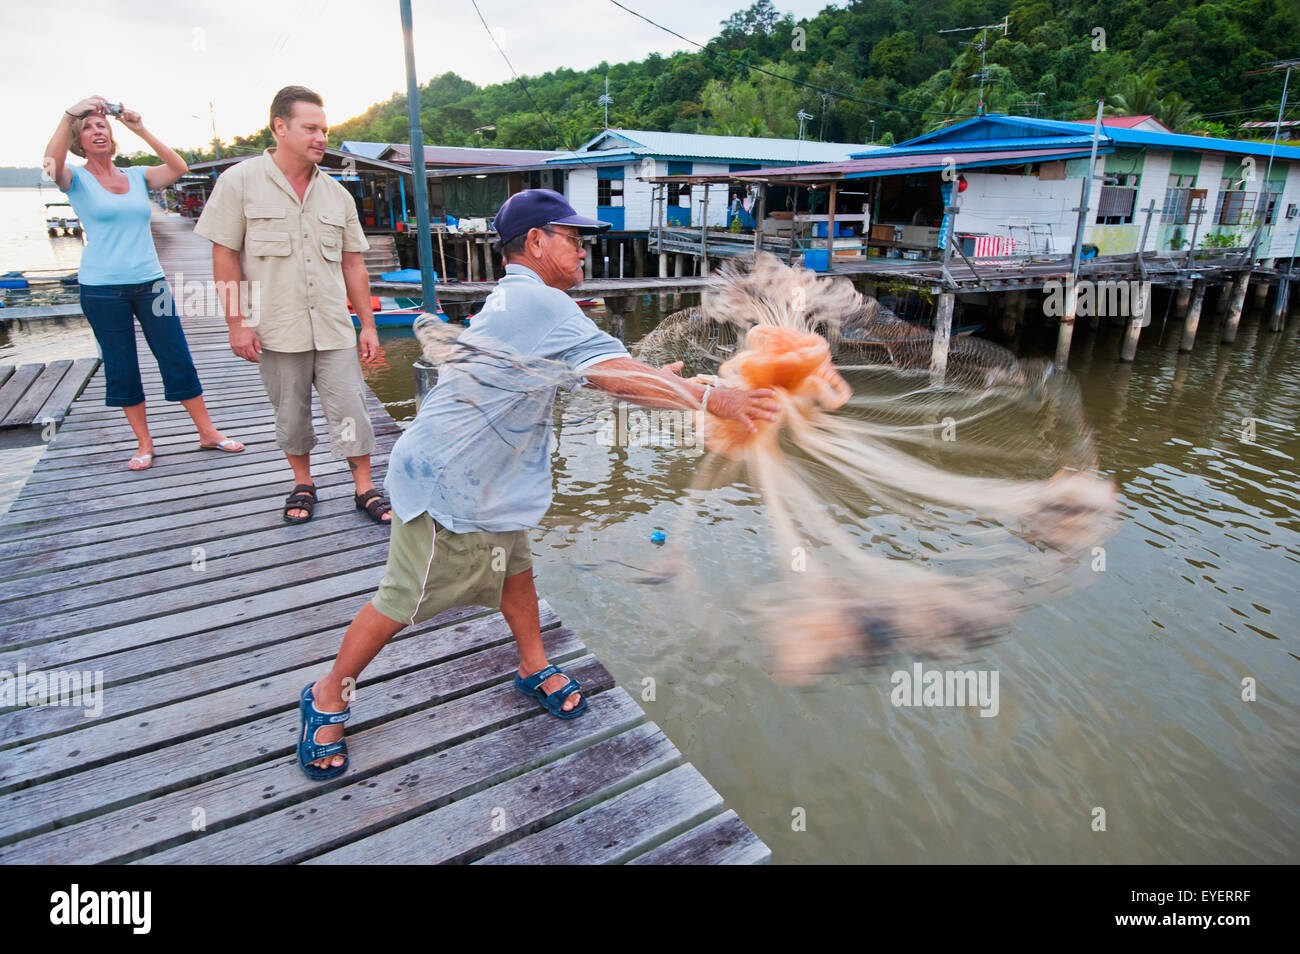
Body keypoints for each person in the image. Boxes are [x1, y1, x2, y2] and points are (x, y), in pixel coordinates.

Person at [295, 189, 781, 778]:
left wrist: (654, 379)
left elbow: (594, 372)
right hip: (449, 482)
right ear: (535, 242)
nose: (582, 254)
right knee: (402, 599)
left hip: (491, 480)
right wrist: (714, 397)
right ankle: (326, 695)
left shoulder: (520, 301)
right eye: (573, 241)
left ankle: (531, 665)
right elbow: (610, 374)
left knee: (515, 575)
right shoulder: (543, 304)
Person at [195, 85, 390, 525]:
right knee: (291, 413)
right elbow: (223, 256)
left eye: (324, 129)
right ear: (279, 127)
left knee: (351, 409)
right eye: (310, 128)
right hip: (276, 328)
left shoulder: (337, 195)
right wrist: (236, 323)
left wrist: (369, 325)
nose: (321, 137)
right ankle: (303, 482)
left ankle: (364, 486)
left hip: (334, 327)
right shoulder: (239, 182)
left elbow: (353, 265)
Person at [44, 95, 244, 469]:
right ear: (78, 139)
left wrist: (139, 127)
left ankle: (208, 433)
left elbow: (178, 167)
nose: (96, 131)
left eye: (101, 125)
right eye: (87, 127)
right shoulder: (76, 179)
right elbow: (51, 163)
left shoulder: (137, 176)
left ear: (111, 133)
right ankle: (144, 443)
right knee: (121, 364)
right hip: (102, 289)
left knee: (176, 355)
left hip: (151, 283)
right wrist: (70, 112)